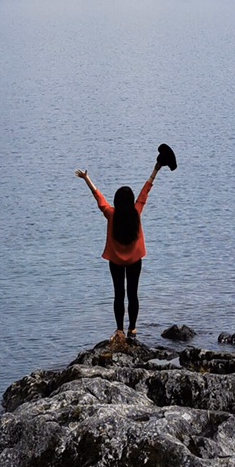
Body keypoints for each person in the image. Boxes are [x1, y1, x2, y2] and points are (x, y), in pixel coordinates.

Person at [75, 147, 172, 345]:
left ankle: (119, 329)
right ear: (131, 201)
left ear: (117, 202)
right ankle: (133, 329)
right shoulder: (136, 211)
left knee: (119, 295)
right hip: (135, 259)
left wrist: (87, 179)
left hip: (116, 261)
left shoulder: (111, 214)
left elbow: (98, 198)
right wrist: (156, 169)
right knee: (133, 294)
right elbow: (146, 190)